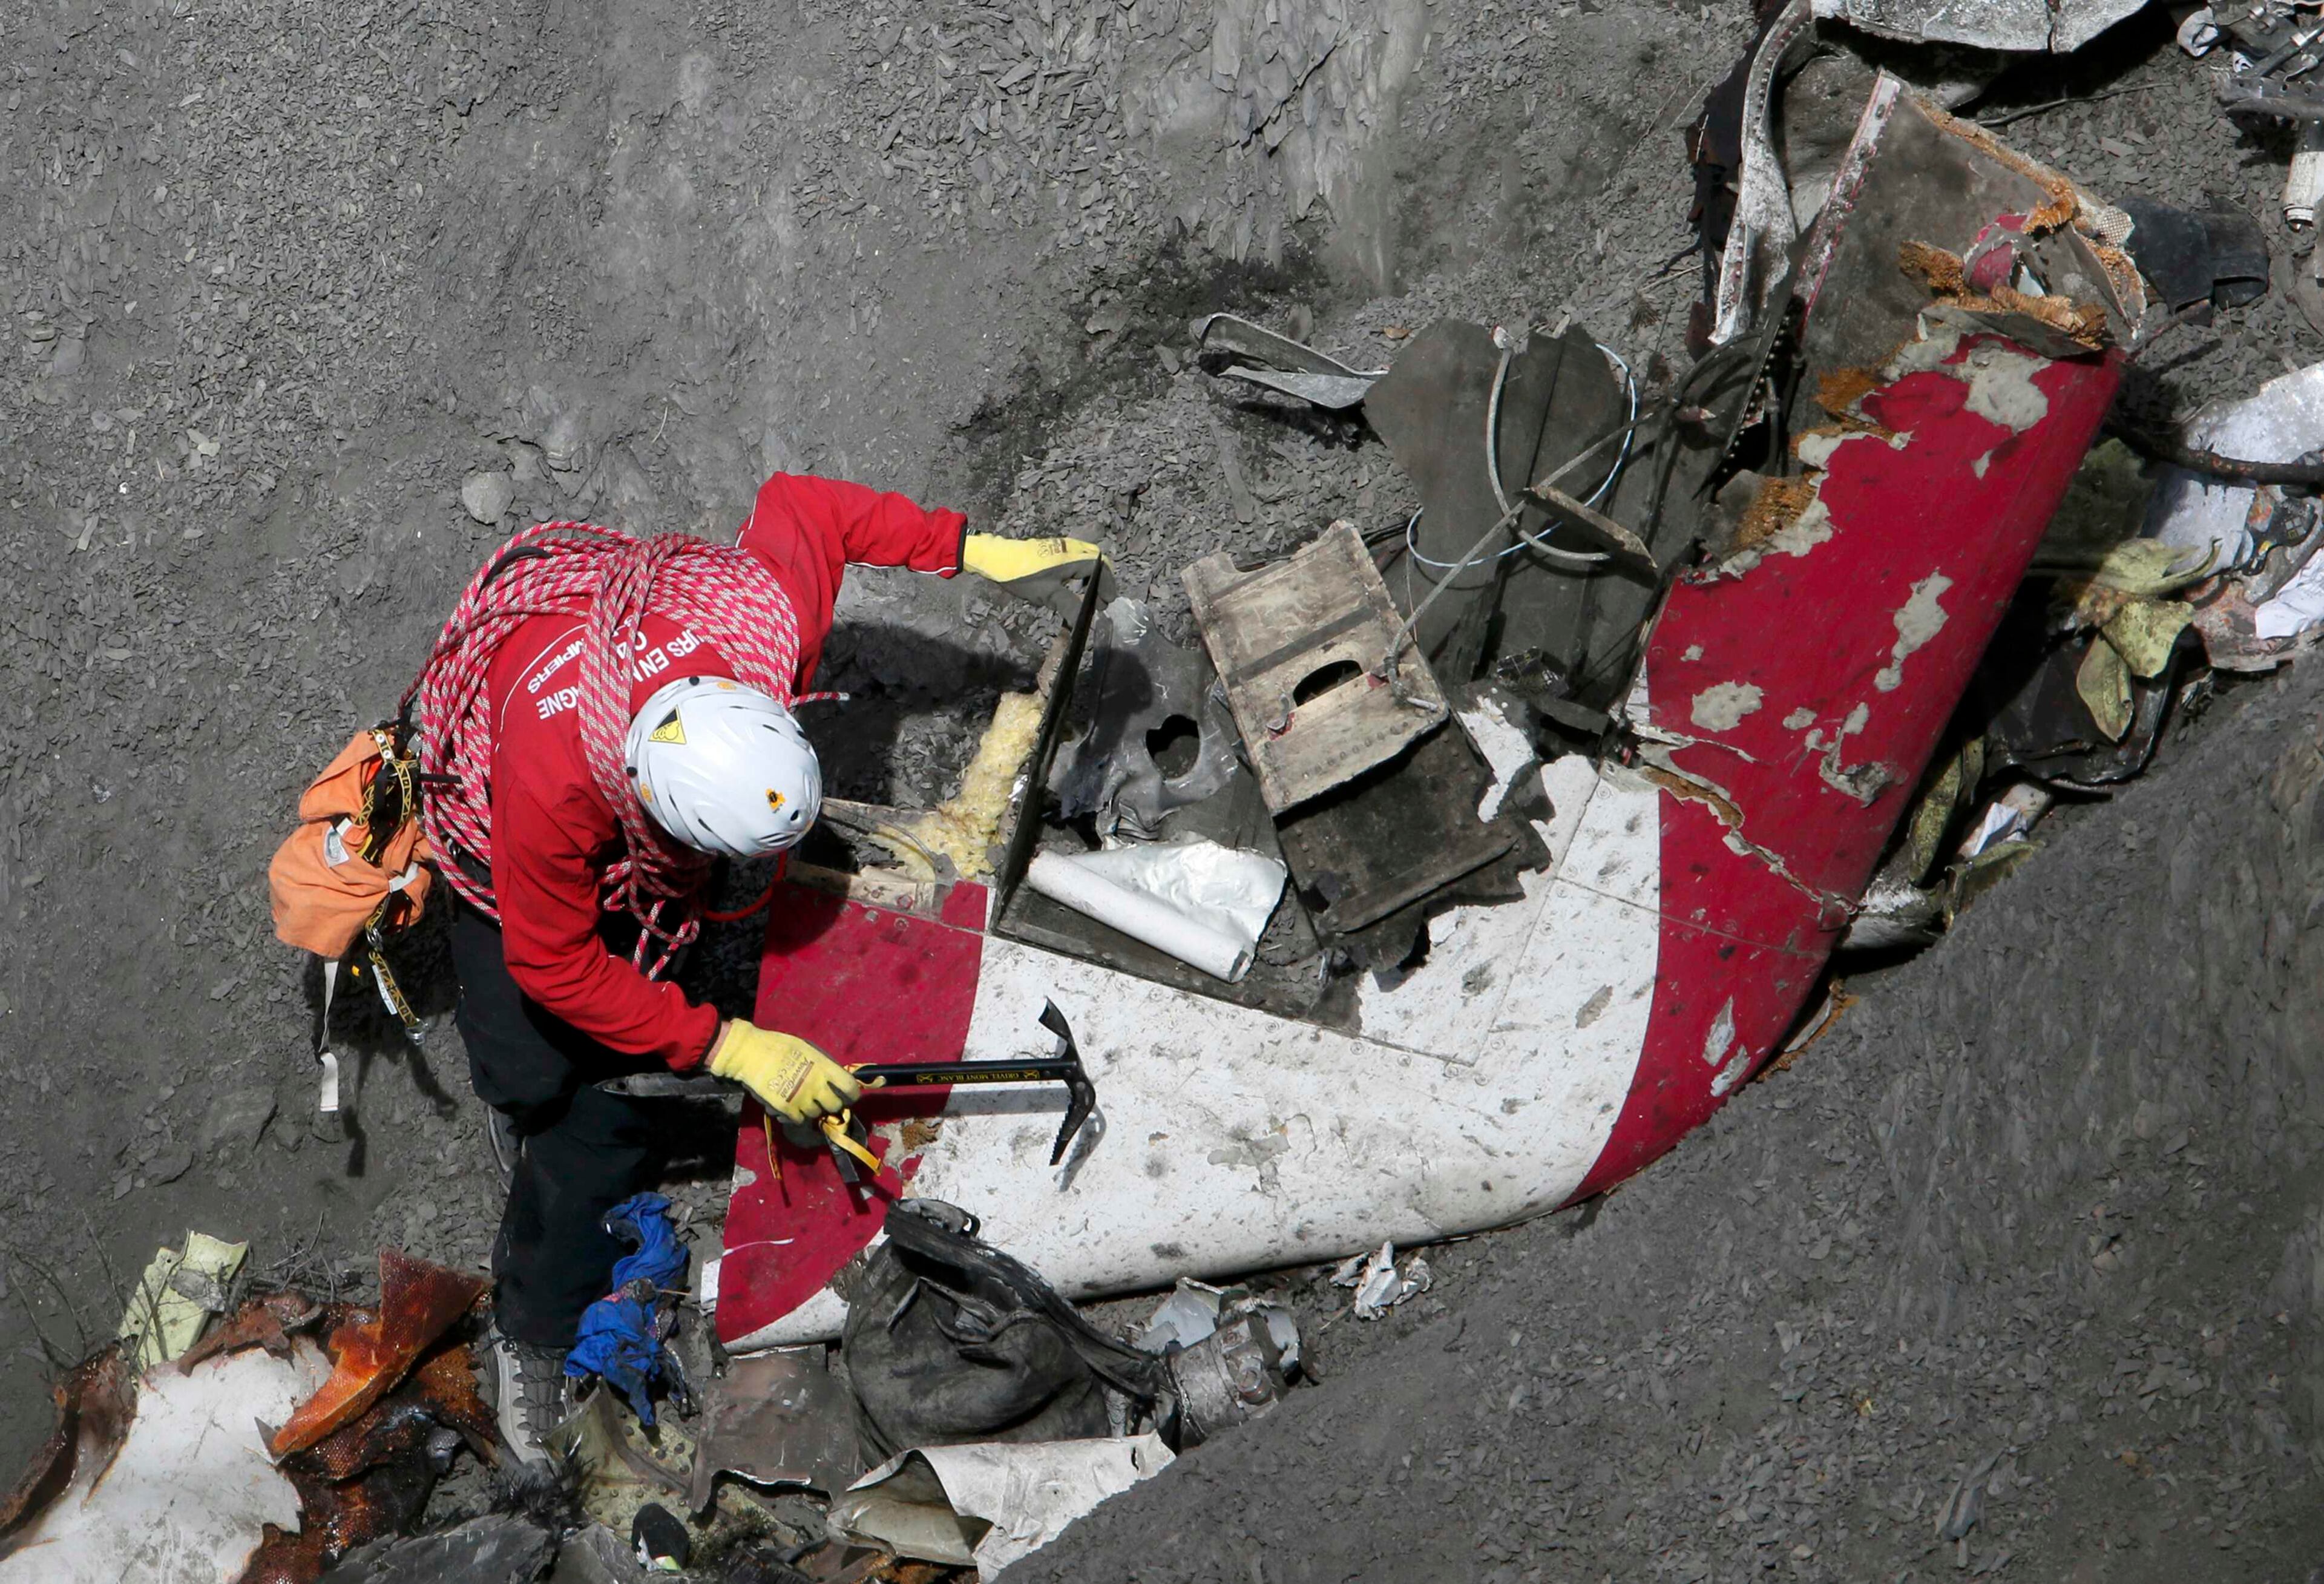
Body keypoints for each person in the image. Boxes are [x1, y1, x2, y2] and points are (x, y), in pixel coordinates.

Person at [409, 471, 1100, 1463]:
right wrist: (731, 1047)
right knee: (558, 1088)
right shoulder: (553, 785)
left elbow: (806, 507)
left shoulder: (762, 633)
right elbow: (554, 961)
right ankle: (534, 1320)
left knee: (622, 1020)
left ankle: (567, 1096)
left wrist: (967, 546)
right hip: (495, 790)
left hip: (623, 725)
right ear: (645, 808)